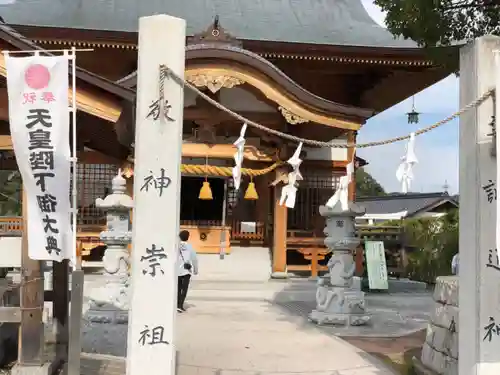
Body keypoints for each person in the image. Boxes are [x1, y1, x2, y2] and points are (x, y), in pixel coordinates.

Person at [177, 230, 198, 313]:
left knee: (178, 288)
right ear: (188, 237)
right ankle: (180, 305)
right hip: (186, 271)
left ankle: (177, 304)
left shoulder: (176, 246)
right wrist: (196, 270)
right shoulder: (190, 247)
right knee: (184, 289)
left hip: (177, 271)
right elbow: (194, 259)